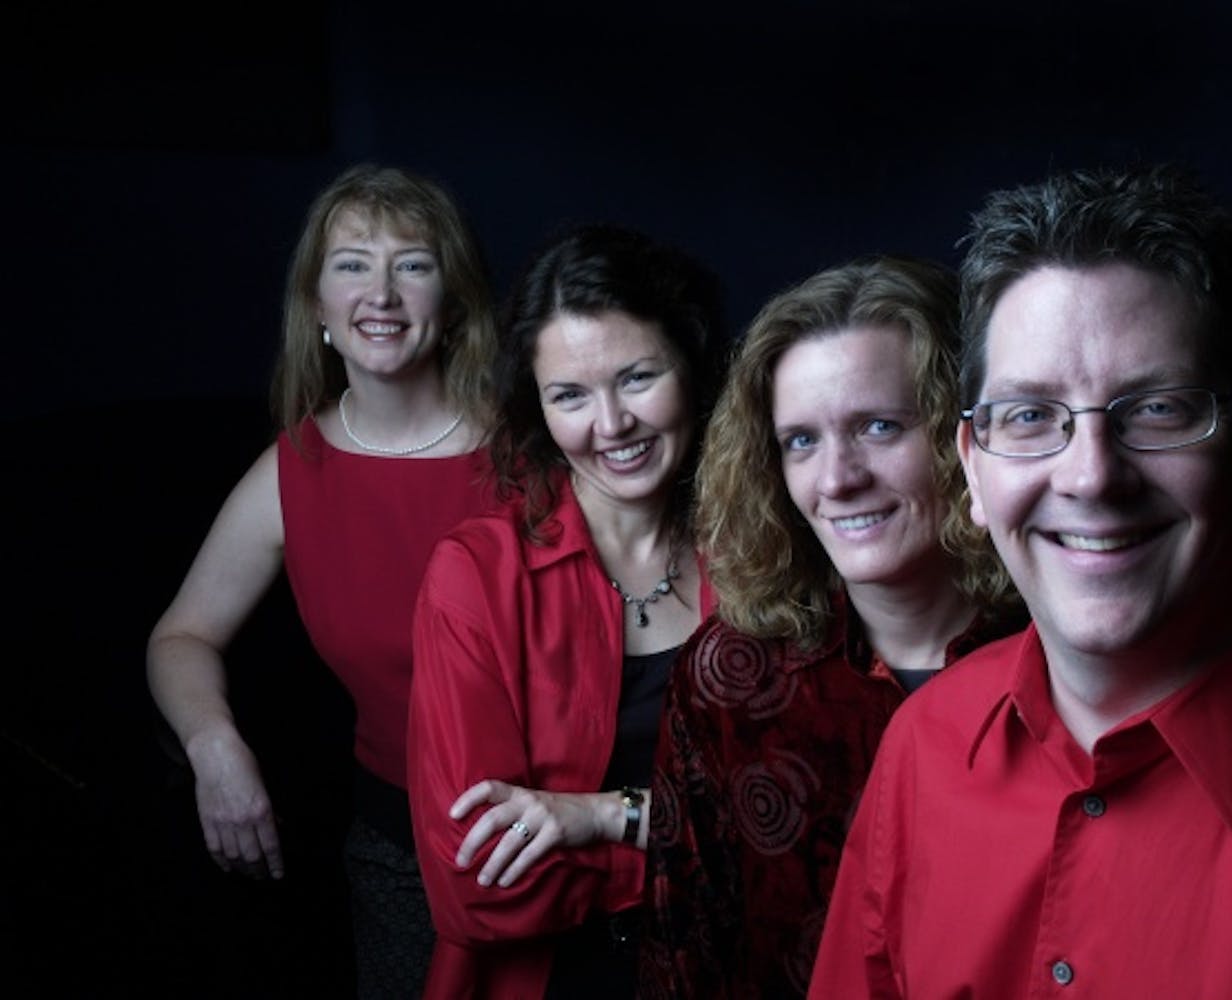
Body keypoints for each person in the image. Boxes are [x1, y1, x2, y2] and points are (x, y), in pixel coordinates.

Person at [809, 162, 1232, 998]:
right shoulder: (925, 744)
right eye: (1028, 416)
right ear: (972, 470)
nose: (1090, 477)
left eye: (1157, 408)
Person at [146, 163, 499, 999]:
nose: (381, 293)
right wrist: (213, 747)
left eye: (412, 264)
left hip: (558, 832)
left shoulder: (531, 451)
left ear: (451, 299)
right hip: (397, 847)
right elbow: (179, 636)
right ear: (317, 306)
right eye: (352, 265)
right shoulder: (294, 470)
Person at [636, 256, 1024, 999]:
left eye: (879, 426)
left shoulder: (1064, 657)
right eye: (801, 441)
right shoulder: (727, 678)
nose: (839, 478)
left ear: (962, 434)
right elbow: (683, 953)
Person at [407, 223, 729, 999]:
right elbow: (475, 885)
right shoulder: (476, 576)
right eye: (569, 396)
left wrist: (597, 817)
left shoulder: (763, 553)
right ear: (537, 408)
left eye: (637, 377)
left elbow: (828, 817)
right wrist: (702, 847)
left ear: (691, 367)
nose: (611, 425)